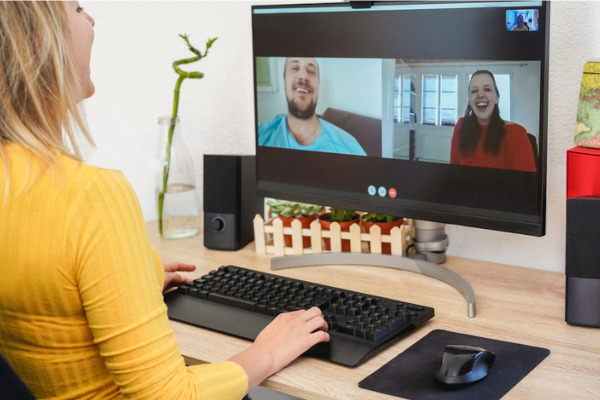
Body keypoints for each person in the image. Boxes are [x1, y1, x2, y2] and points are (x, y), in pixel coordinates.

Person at [0, 2, 329, 399]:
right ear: (41, 43)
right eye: (77, 8)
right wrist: (268, 351)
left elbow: (47, 310)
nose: (91, 18)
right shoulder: (88, 196)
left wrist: (125, 285)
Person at [258, 57, 367, 156]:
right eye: (294, 68)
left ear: (318, 87)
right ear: (284, 83)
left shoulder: (349, 147)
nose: (304, 76)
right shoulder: (259, 135)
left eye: (311, 71)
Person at [450, 70, 536, 172]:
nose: (480, 95)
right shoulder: (460, 126)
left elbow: (525, 184)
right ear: (469, 100)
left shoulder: (516, 133)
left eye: (487, 89)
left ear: (496, 98)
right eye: (474, 91)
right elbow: (454, 173)